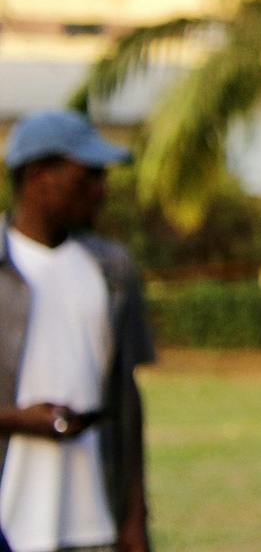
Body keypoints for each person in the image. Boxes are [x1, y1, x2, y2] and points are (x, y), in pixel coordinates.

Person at [0, 109, 153, 552]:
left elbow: (127, 403)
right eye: (88, 176)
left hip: (93, 524)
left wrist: (134, 519)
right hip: (11, 522)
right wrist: (17, 420)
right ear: (39, 175)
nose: (102, 190)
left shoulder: (113, 271)